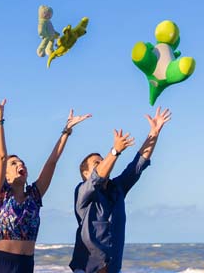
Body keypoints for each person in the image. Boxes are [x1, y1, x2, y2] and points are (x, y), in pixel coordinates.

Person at [0, 92, 91, 273]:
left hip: (27, 265)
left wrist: (66, 131)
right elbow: (1, 156)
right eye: (14, 164)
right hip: (3, 264)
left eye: (22, 163)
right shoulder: (1, 194)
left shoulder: (34, 196)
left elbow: (52, 162)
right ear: (6, 176)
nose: (20, 165)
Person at [69, 106, 172, 273]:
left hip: (113, 268)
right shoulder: (82, 192)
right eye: (97, 163)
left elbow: (138, 164)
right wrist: (115, 151)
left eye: (103, 160)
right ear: (85, 173)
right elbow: (97, 177)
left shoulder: (117, 188)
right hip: (88, 268)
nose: (103, 163)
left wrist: (154, 132)